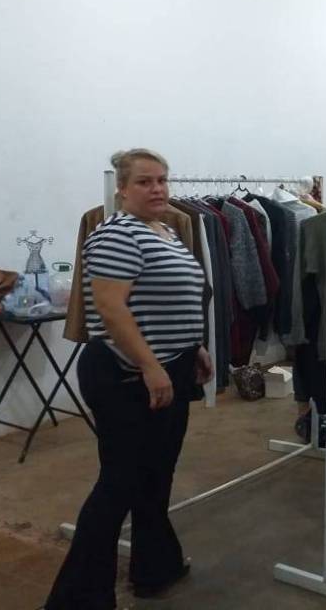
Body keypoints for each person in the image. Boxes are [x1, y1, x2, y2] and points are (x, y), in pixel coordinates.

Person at [46, 149, 213, 609]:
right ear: (121, 188)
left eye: (162, 180)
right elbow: (111, 307)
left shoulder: (165, 229)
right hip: (126, 373)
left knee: (156, 476)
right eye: (144, 181)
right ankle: (78, 599)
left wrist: (193, 346)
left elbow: (167, 297)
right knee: (119, 482)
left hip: (168, 364)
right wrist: (150, 365)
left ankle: (155, 566)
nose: (157, 189)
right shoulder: (117, 233)